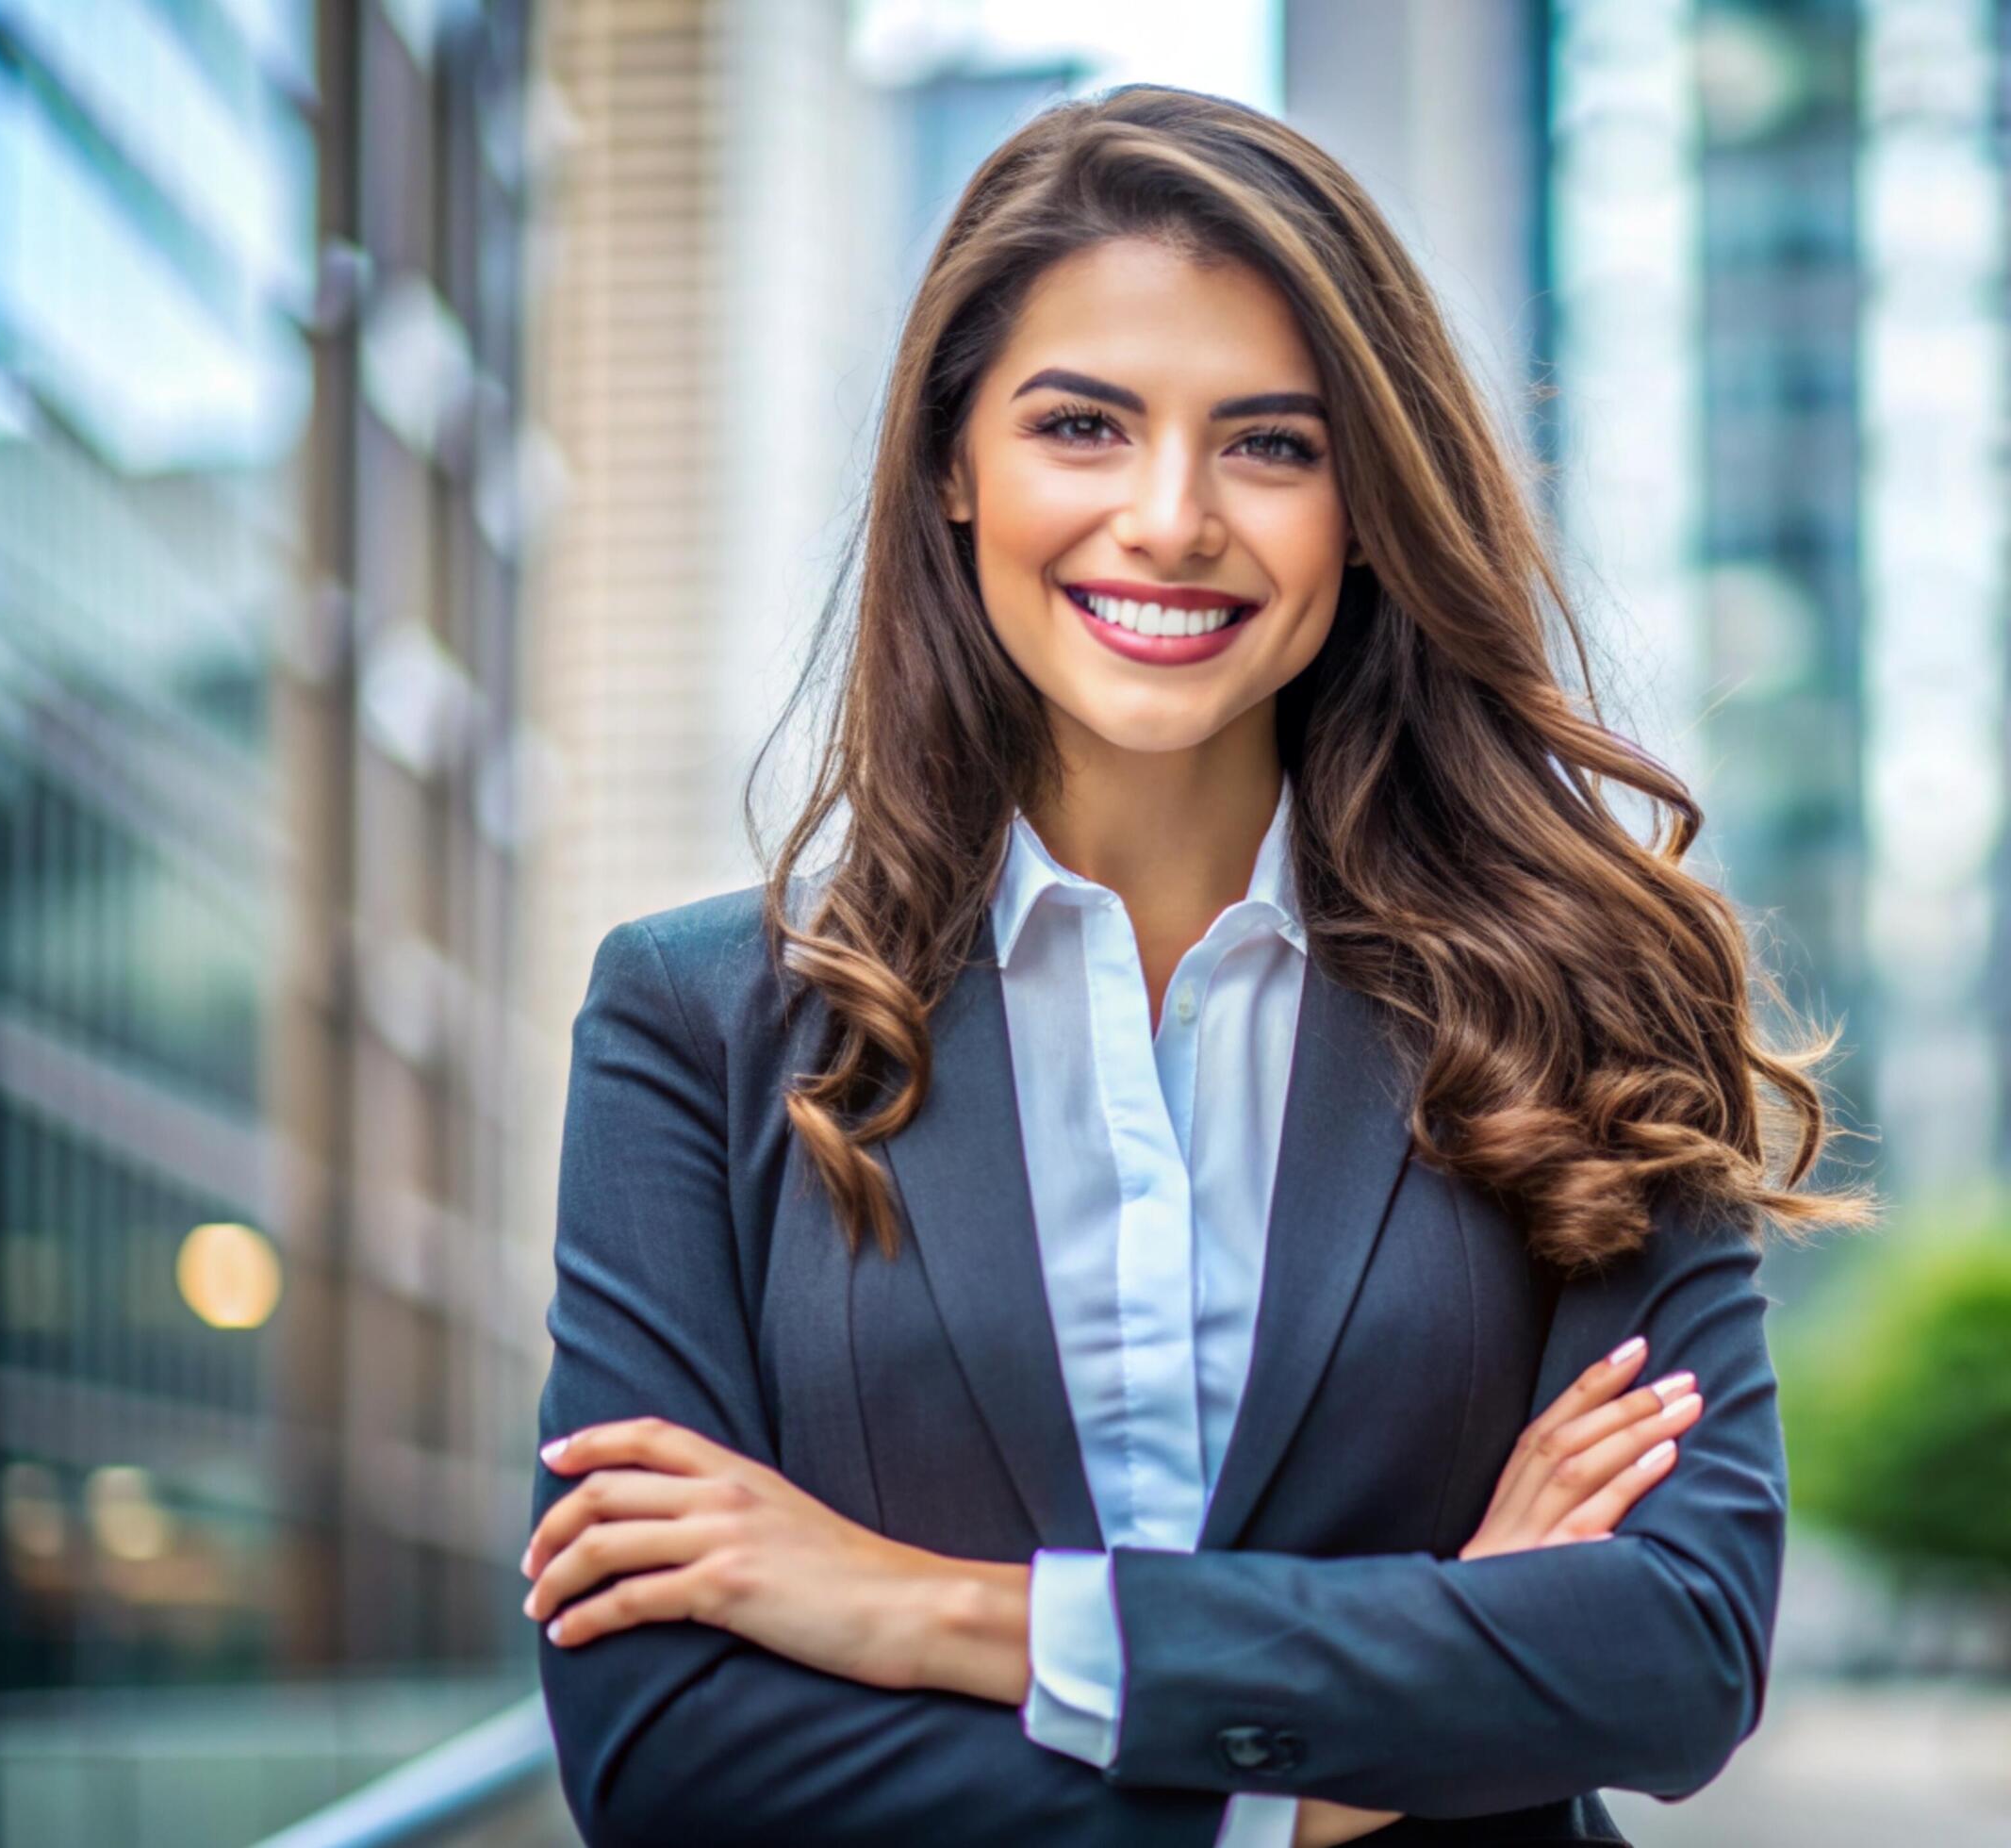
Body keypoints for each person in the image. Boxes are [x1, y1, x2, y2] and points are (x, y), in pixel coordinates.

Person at [515, 83, 1864, 1848]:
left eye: (1273, 445)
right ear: (952, 465)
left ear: (1367, 506)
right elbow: (661, 1750)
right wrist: (1333, 1780)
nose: (1170, 519)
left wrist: (928, 1612)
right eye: (1080, 425)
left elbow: (1669, 1654)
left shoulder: (1585, 994)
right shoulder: (696, 1022)